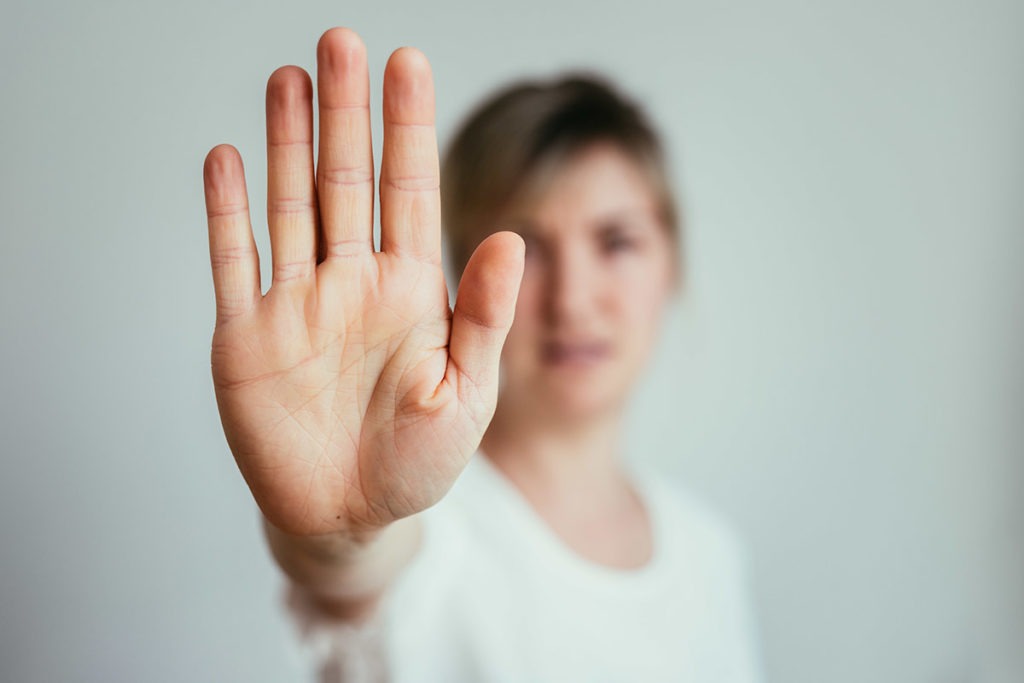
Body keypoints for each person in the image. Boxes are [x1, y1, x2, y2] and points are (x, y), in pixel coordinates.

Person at [202, 27, 763, 682]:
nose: (573, 302)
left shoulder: (709, 551)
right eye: (528, 246)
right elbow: (358, 567)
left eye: (616, 241)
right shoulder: (422, 519)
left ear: (672, 261)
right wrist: (342, 533)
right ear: (462, 273)